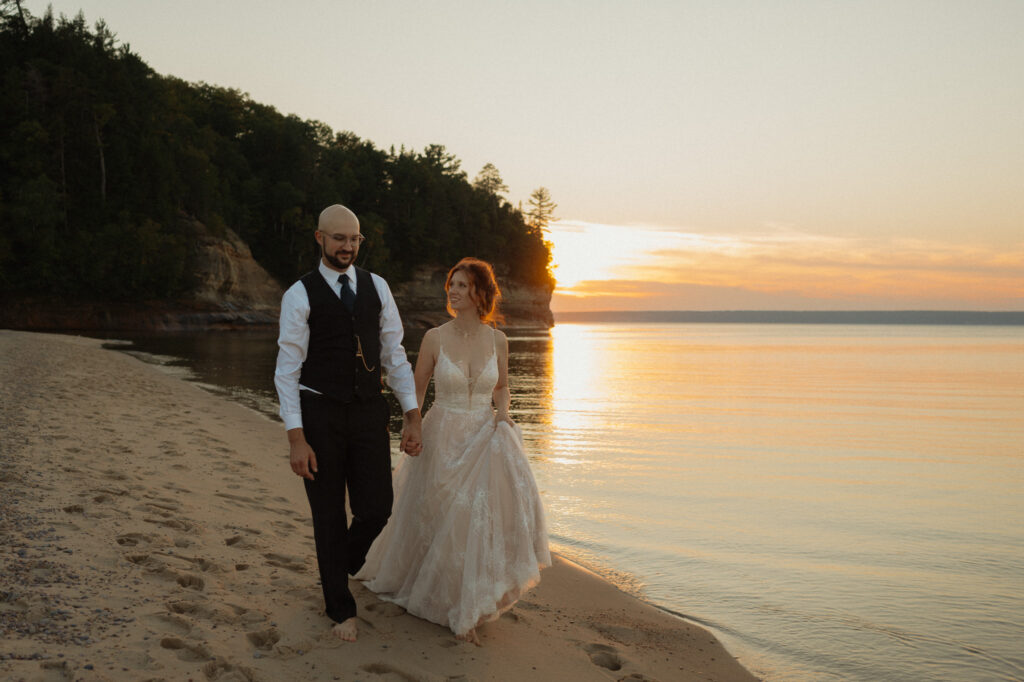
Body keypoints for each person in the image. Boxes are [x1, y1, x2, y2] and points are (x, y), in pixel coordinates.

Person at [356, 257, 550, 645]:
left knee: (471, 522)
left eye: (462, 285)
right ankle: (438, 593)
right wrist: (411, 424)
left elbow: (502, 387)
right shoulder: (434, 338)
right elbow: (417, 386)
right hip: (442, 434)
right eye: (452, 285)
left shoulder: (499, 340)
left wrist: (503, 415)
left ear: (481, 293)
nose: (453, 291)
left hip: (483, 437)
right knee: (437, 515)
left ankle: (467, 605)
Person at [274, 204, 423, 643]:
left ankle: (340, 565)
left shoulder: (377, 287)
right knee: (327, 515)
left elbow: (395, 356)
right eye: (339, 238)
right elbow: (287, 370)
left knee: (377, 507)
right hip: (318, 412)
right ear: (319, 238)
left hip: (367, 411)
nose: (347, 246)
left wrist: (412, 414)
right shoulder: (299, 294)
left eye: (354, 239)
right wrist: (296, 439)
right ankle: (340, 608)